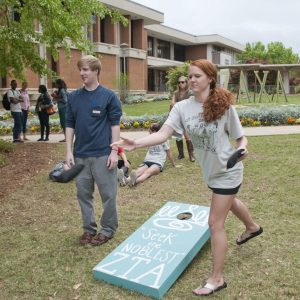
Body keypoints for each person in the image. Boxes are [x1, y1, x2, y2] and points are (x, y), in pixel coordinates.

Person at [113, 59, 263, 296]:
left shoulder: (224, 107)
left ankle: (217, 279)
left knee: (215, 222)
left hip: (228, 170)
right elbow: (163, 134)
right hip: (210, 172)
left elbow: (240, 138)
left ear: (210, 79)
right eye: (189, 76)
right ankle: (252, 227)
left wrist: (242, 149)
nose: (191, 80)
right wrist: (136, 143)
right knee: (228, 202)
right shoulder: (182, 108)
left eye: (196, 76)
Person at [65, 55, 122, 247]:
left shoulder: (108, 96)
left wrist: (114, 152)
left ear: (96, 71)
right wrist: (68, 151)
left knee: (108, 195)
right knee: (83, 195)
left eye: (86, 70)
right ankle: (88, 229)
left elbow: (115, 125)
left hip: (103, 155)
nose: (82, 73)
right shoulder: (73, 97)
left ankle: (108, 229)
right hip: (80, 155)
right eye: (80, 69)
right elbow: (69, 124)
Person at [118, 123, 176, 187]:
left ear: (153, 131)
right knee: (138, 171)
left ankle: (134, 181)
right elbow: (138, 143)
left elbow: (169, 152)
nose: (148, 130)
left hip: (157, 163)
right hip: (148, 161)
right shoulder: (150, 138)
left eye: (150, 129)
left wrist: (174, 164)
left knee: (147, 173)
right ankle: (125, 180)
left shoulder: (163, 140)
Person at [170, 76, 195, 162]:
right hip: (177, 117)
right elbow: (172, 103)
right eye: (179, 82)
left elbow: (190, 104)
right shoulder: (176, 93)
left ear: (186, 82)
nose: (180, 84)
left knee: (187, 136)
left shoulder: (190, 93)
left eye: (182, 82)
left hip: (187, 117)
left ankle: (191, 155)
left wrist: (178, 104)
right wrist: (181, 104)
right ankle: (181, 154)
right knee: (178, 136)